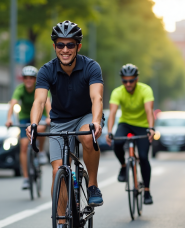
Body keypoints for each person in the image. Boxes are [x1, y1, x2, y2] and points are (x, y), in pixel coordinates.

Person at [26, 20, 104, 223]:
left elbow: (97, 98)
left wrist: (96, 122)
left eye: (70, 44)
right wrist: (33, 124)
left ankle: (93, 184)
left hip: (85, 116)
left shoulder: (91, 67)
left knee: (88, 137)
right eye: (60, 44)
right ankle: (61, 222)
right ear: (54, 47)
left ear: (78, 46)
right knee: (57, 170)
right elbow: (39, 100)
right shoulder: (46, 70)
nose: (65, 49)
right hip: (60, 122)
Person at [106, 63, 155, 205]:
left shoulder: (146, 90)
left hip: (143, 125)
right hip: (125, 123)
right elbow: (113, 113)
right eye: (125, 81)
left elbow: (149, 111)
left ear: (136, 79)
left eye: (131, 80)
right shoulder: (117, 92)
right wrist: (109, 132)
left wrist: (151, 128)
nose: (128, 83)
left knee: (144, 157)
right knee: (117, 142)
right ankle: (123, 166)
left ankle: (146, 191)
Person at [5, 66, 52, 190]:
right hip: (25, 118)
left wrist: (49, 117)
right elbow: (12, 104)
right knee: (24, 146)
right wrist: (9, 119)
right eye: (26, 78)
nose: (29, 80)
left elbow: (47, 103)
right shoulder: (20, 89)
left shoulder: (40, 87)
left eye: (31, 78)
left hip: (40, 117)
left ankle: (41, 152)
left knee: (41, 129)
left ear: (35, 79)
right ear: (23, 79)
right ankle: (26, 178)